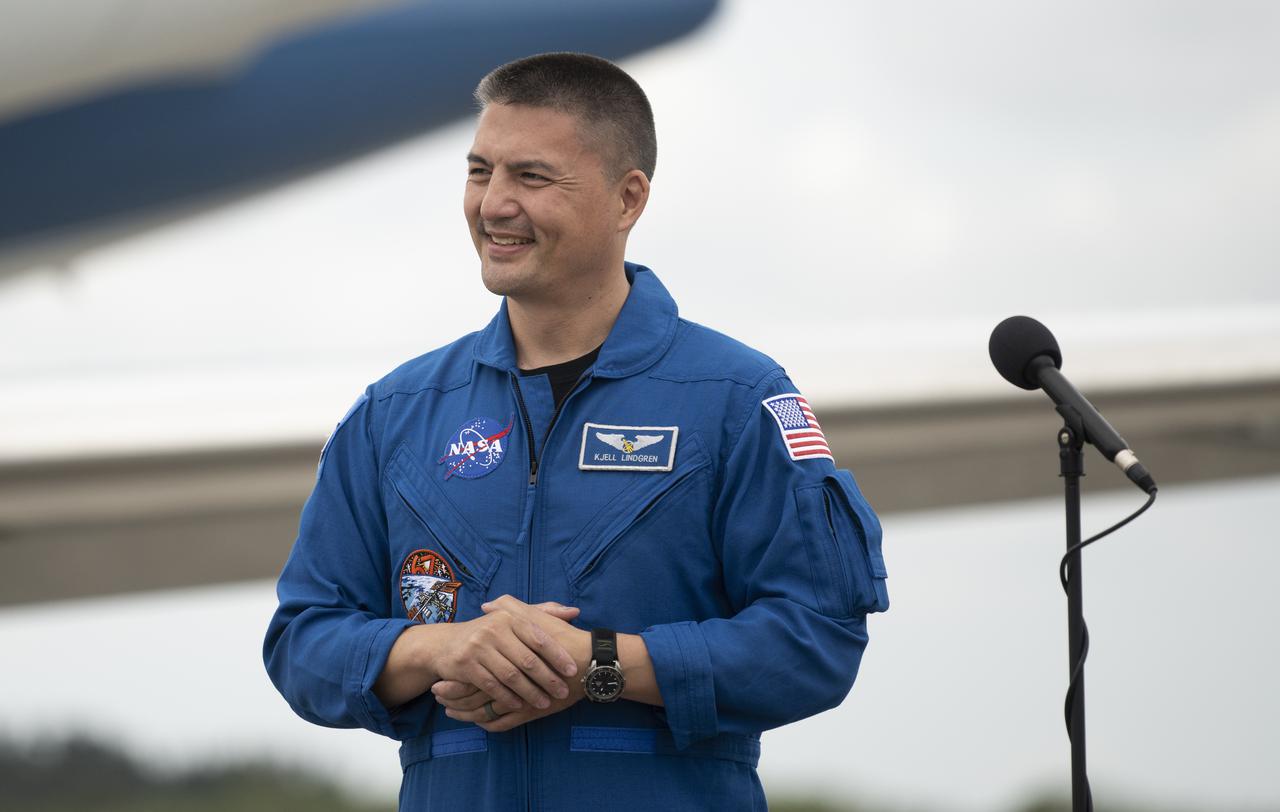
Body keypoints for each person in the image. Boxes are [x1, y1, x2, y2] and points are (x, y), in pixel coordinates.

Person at [264, 52, 888, 810]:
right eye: (478, 172)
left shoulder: (736, 398)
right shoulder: (394, 413)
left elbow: (816, 642)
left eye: (531, 177)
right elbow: (302, 642)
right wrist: (442, 647)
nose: (493, 204)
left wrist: (598, 663)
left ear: (628, 199)